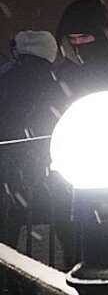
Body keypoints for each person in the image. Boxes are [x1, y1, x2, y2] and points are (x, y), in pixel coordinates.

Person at [0, 31, 68, 249]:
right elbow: (55, 115)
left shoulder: (7, 72)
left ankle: (8, 268)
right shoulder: (50, 79)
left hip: (9, 155)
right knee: (60, 211)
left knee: (9, 218)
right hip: (36, 156)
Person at [55, 0, 108, 99]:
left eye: (84, 37)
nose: (78, 43)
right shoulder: (64, 74)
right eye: (72, 39)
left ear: (101, 36)